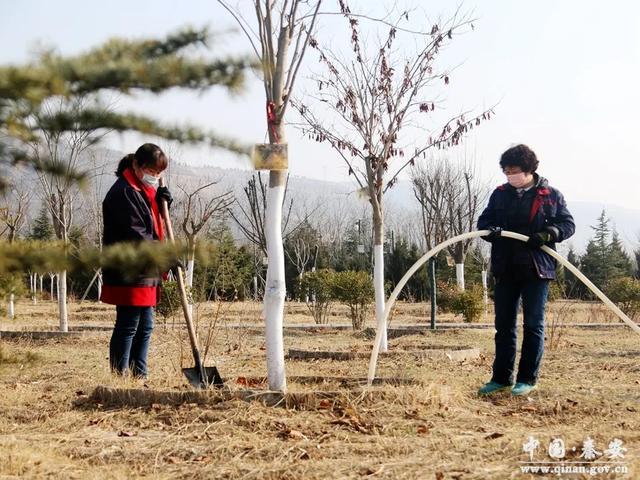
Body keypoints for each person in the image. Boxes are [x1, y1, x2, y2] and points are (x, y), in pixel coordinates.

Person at [477, 144, 575, 396]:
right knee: (504, 326)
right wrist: (492, 231)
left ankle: (527, 379)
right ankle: (500, 378)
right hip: (506, 267)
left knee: (533, 325)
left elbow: (567, 224)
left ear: (530, 169)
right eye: (507, 172)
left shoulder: (549, 195)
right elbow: (484, 222)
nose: (511, 176)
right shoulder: (500, 194)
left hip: (536, 268)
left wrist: (547, 233)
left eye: (515, 171)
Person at [101, 143, 173, 379]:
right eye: (151, 171)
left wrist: (163, 203)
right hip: (129, 269)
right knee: (128, 325)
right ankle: (119, 377)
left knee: (146, 326)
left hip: (146, 269)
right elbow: (138, 235)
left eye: (158, 173)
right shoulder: (123, 192)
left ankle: (139, 375)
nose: (154, 177)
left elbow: (152, 222)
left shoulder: (143, 190)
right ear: (136, 165)